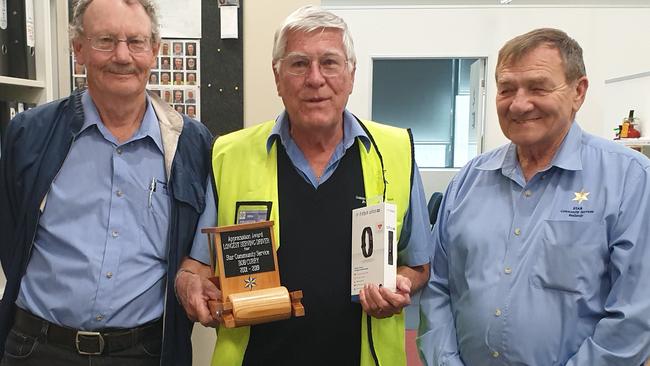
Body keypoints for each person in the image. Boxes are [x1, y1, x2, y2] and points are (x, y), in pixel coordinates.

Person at [175, 6, 431, 366]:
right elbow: (197, 265)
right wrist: (189, 283)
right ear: (278, 77)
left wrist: (401, 285)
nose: (315, 79)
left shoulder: (396, 153)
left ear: (351, 74)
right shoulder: (228, 155)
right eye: (298, 64)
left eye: (330, 63)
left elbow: (418, 264)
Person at [418, 28, 650, 366]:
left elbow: (635, 313)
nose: (519, 104)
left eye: (538, 87)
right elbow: (438, 288)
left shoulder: (630, 179)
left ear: (578, 92)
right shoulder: (469, 180)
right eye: (506, 89)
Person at [0, 0, 213, 365]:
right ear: (78, 49)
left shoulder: (191, 144)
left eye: (136, 41)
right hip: (38, 348)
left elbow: (194, 249)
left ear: (155, 51)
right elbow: (10, 235)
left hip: (144, 352)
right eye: (105, 40)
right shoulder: (29, 134)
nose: (122, 55)